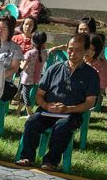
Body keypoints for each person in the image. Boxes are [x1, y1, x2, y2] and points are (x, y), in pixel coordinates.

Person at [15, 33, 99, 171]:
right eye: (70, 49)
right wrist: (46, 105)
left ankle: (50, 162)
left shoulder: (91, 74)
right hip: (48, 111)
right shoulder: (54, 68)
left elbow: (90, 102)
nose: (73, 53)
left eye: (78, 49)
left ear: (85, 51)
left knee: (63, 127)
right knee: (32, 122)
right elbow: (39, 95)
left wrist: (67, 109)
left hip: (71, 114)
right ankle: (27, 157)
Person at [18, 31, 47, 117]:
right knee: (24, 94)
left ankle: (29, 113)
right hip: (37, 78)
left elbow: (22, 67)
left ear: (32, 41)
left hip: (27, 78)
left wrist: (19, 61)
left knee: (26, 96)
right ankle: (18, 111)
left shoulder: (30, 53)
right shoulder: (45, 53)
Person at [0, 16, 22, 102]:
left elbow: (14, 68)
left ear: (10, 30)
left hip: (2, 81)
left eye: (4, 28)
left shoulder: (15, 48)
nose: (0, 31)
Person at [85, 34, 107, 104]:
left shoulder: (102, 66)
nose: (87, 52)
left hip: (93, 98)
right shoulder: (77, 61)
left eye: (92, 49)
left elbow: (100, 89)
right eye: (86, 48)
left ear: (96, 51)